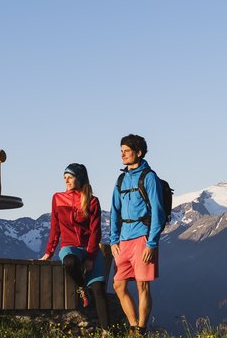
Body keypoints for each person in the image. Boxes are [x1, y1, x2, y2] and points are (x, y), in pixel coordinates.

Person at [41, 163, 110, 329]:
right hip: (69, 246)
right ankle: (82, 288)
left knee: (99, 289)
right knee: (70, 262)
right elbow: (55, 228)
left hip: (89, 248)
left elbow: (95, 232)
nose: (66, 180)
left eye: (70, 177)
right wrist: (48, 252)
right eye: (65, 178)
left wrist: (91, 257)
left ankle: (107, 331)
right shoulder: (57, 198)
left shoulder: (92, 201)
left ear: (79, 178)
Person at [110, 134, 165, 335]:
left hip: (143, 238)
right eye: (121, 151)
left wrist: (152, 244)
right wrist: (113, 240)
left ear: (138, 153)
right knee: (118, 285)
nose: (122, 154)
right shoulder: (121, 179)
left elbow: (158, 212)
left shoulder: (150, 178)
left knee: (143, 286)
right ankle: (133, 326)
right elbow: (114, 210)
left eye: (127, 151)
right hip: (123, 240)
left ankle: (140, 330)